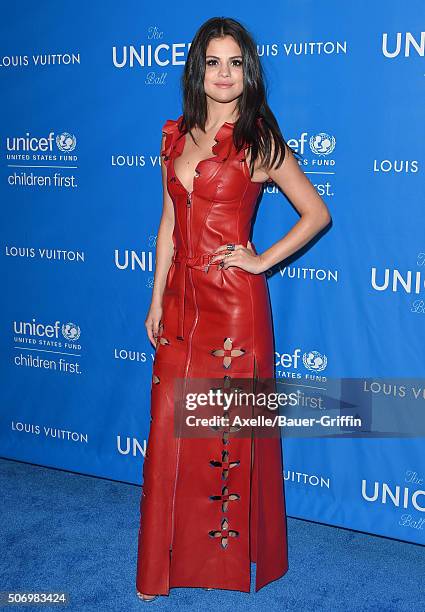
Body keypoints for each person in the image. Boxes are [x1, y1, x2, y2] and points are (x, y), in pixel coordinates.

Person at [136, 16, 331, 602]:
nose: (224, 74)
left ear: (249, 71)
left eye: (235, 63)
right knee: (170, 432)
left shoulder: (259, 136)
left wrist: (260, 260)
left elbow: (316, 213)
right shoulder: (176, 134)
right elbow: (169, 222)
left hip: (234, 309)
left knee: (226, 435)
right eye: (213, 62)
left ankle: (225, 563)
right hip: (179, 305)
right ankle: (161, 568)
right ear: (199, 69)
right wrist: (155, 295)